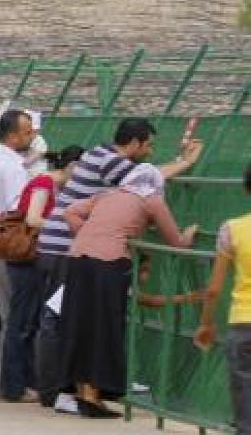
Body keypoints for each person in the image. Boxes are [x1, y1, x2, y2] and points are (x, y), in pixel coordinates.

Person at [34, 118, 203, 410]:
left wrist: (89, 235)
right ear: (134, 143)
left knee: (72, 322)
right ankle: (75, 392)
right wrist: (185, 163)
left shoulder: (105, 185)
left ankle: (70, 390)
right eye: (148, 145)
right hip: (92, 259)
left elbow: (73, 212)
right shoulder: (127, 178)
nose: (149, 152)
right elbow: (175, 236)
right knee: (93, 326)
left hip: (74, 254)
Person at [60, 164, 196, 417]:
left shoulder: (108, 196)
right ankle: (93, 395)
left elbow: (69, 212)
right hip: (109, 264)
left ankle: (82, 392)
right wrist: (190, 233)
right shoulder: (151, 200)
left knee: (81, 324)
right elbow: (177, 242)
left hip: (78, 259)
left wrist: (92, 235)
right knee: (105, 327)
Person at [0, 145, 84, 403]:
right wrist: (63, 223)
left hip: (35, 259)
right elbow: (33, 218)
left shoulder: (53, 186)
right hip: (27, 259)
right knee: (22, 322)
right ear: (71, 167)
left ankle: (26, 381)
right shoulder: (44, 183)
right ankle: (14, 386)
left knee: (31, 321)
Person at [195, 163, 251, 434]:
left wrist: (206, 324)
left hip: (243, 321)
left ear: (245, 188)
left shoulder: (233, 228)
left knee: (244, 396)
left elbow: (214, 288)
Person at [0, 110, 35, 327]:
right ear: (13, 136)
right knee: (17, 317)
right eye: (27, 132)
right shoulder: (14, 167)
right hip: (11, 244)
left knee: (7, 314)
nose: (32, 137)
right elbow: (17, 208)